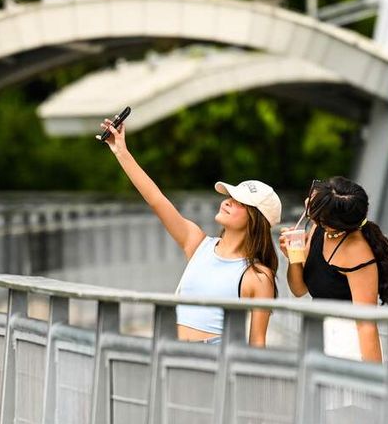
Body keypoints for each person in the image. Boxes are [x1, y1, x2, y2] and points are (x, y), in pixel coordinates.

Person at [100, 117, 281, 346]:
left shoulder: (258, 276)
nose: (226, 202)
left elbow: (257, 343)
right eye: (228, 197)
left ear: (255, 219)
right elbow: (157, 200)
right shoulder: (198, 243)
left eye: (238, 202)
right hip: (171, 357)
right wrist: (121, 151)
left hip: (214, 368)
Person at [279, 177, 388, 362]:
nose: (308, 200)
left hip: (345, 345)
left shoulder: (357, 252)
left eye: (316, 202)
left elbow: (366, 324)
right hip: (317, 336)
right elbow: (299, 289)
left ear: (330, 220)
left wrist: (375, 379)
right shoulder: (318, 230)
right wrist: (293, 257)